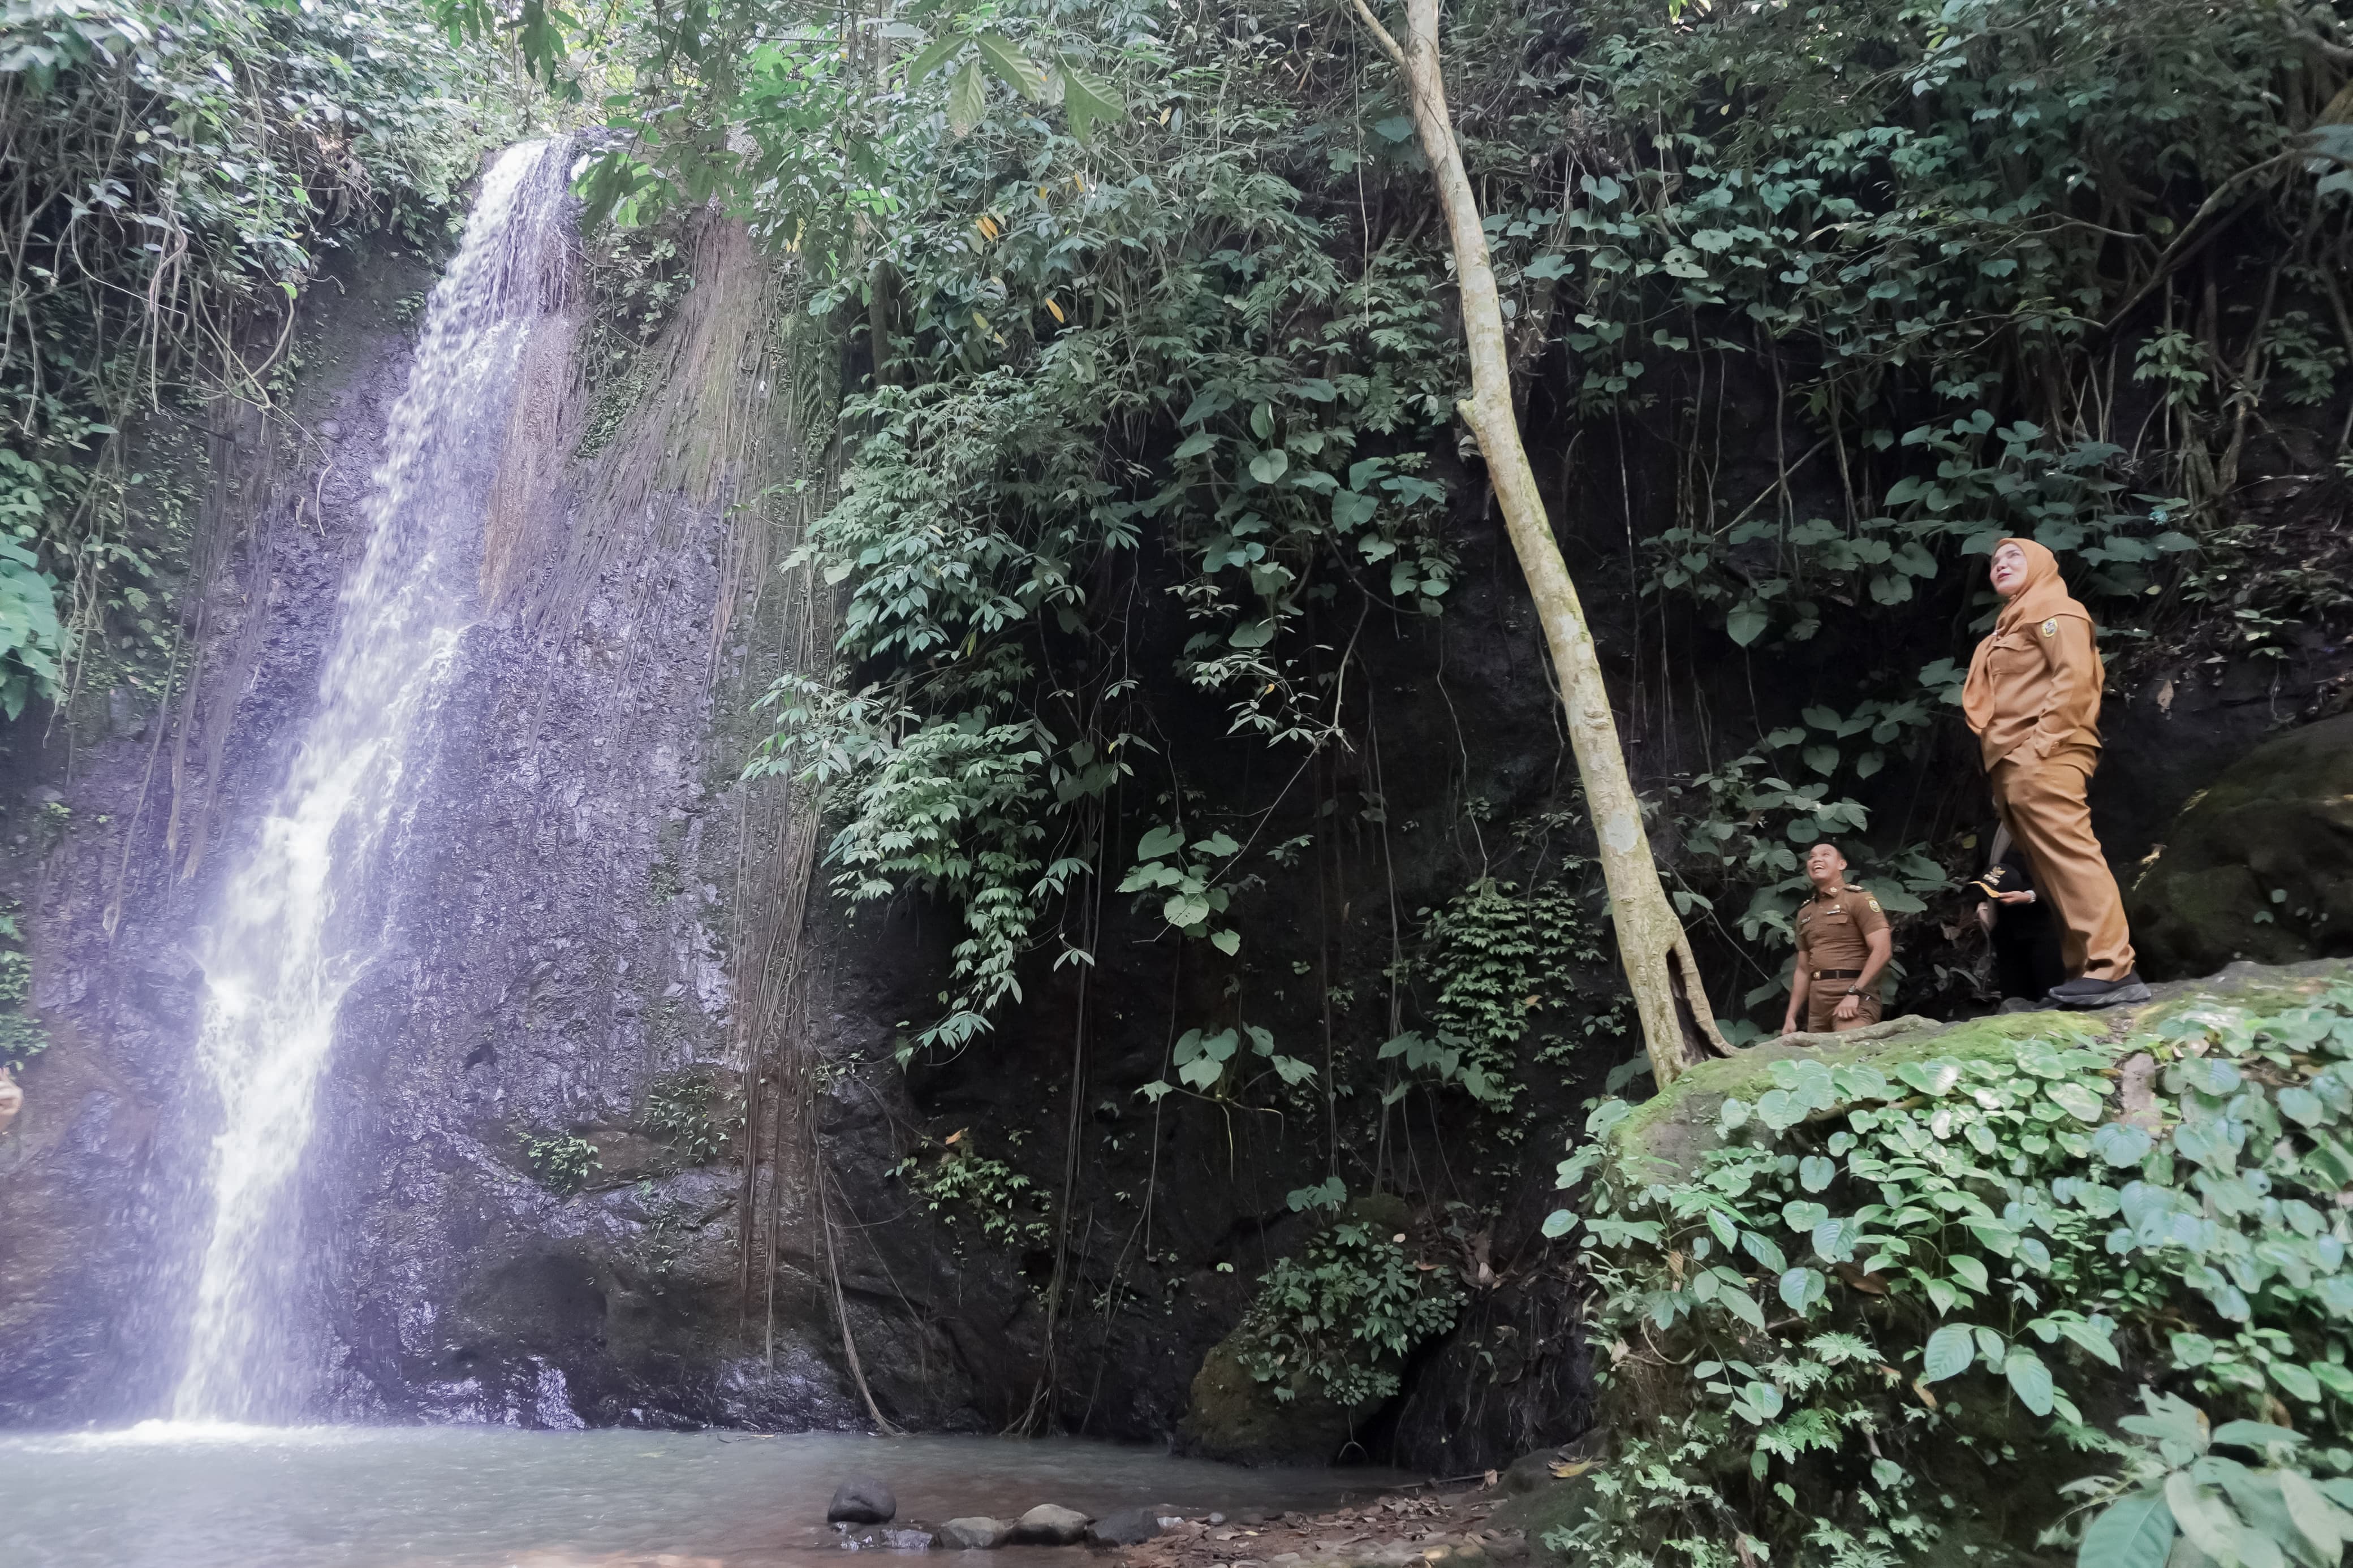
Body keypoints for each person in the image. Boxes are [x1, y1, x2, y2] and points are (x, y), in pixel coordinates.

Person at [1962, 538, 2149, 1008]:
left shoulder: (2056, 610)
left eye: (2013, 556)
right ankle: (2084, 971)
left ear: (2043, 565)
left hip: (2043, 753)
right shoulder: (2011, 624)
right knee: (2046, 871)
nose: (2000, 564)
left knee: (2070, 856)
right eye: (1995, 561)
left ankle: (2113, 968)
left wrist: (2041, 746)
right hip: (2013, 760)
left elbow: (2076, 678)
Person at [1781, 841, 1893, 1036]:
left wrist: (1854, 992)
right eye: (1812, 856)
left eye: (1826, 855)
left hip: (1854, 996)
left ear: (1842, 864)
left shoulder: (1858, 899)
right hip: (1818, 1005)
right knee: (1818, 1063)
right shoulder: (1805, 912)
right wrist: (1791, 1016)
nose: (1817, 859)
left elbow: (1883, 951)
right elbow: (1803, 969)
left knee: (1847, 1054)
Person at [1970, 829, 2065, 1011]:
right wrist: (1982, 905)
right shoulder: (1991, 833)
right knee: (2013, 1000)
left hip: (2046, 928)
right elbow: (1981, 875)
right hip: (2006, 931)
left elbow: (2065, 878)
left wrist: (2030, 896)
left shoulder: (2050, 828)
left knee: (2051, 997)